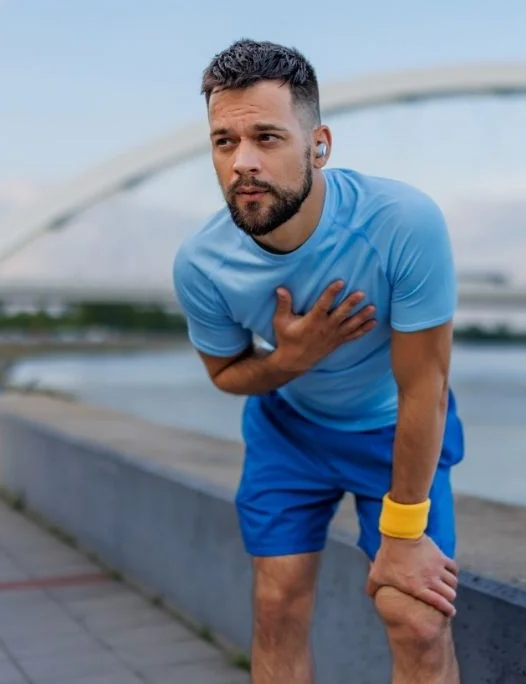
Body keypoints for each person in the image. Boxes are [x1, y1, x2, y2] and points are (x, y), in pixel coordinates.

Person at [172, 38, 464, 684]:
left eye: (267, 138)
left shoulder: (403, 225)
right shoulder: (200, 265)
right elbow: (226, 375)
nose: (243, 162)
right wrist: (294, 358)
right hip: (288, 432)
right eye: (224, 142)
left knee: (415, 617)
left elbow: (427, 389)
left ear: (318, 145)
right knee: (276, 606)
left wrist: (406, 533)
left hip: (394, 431)